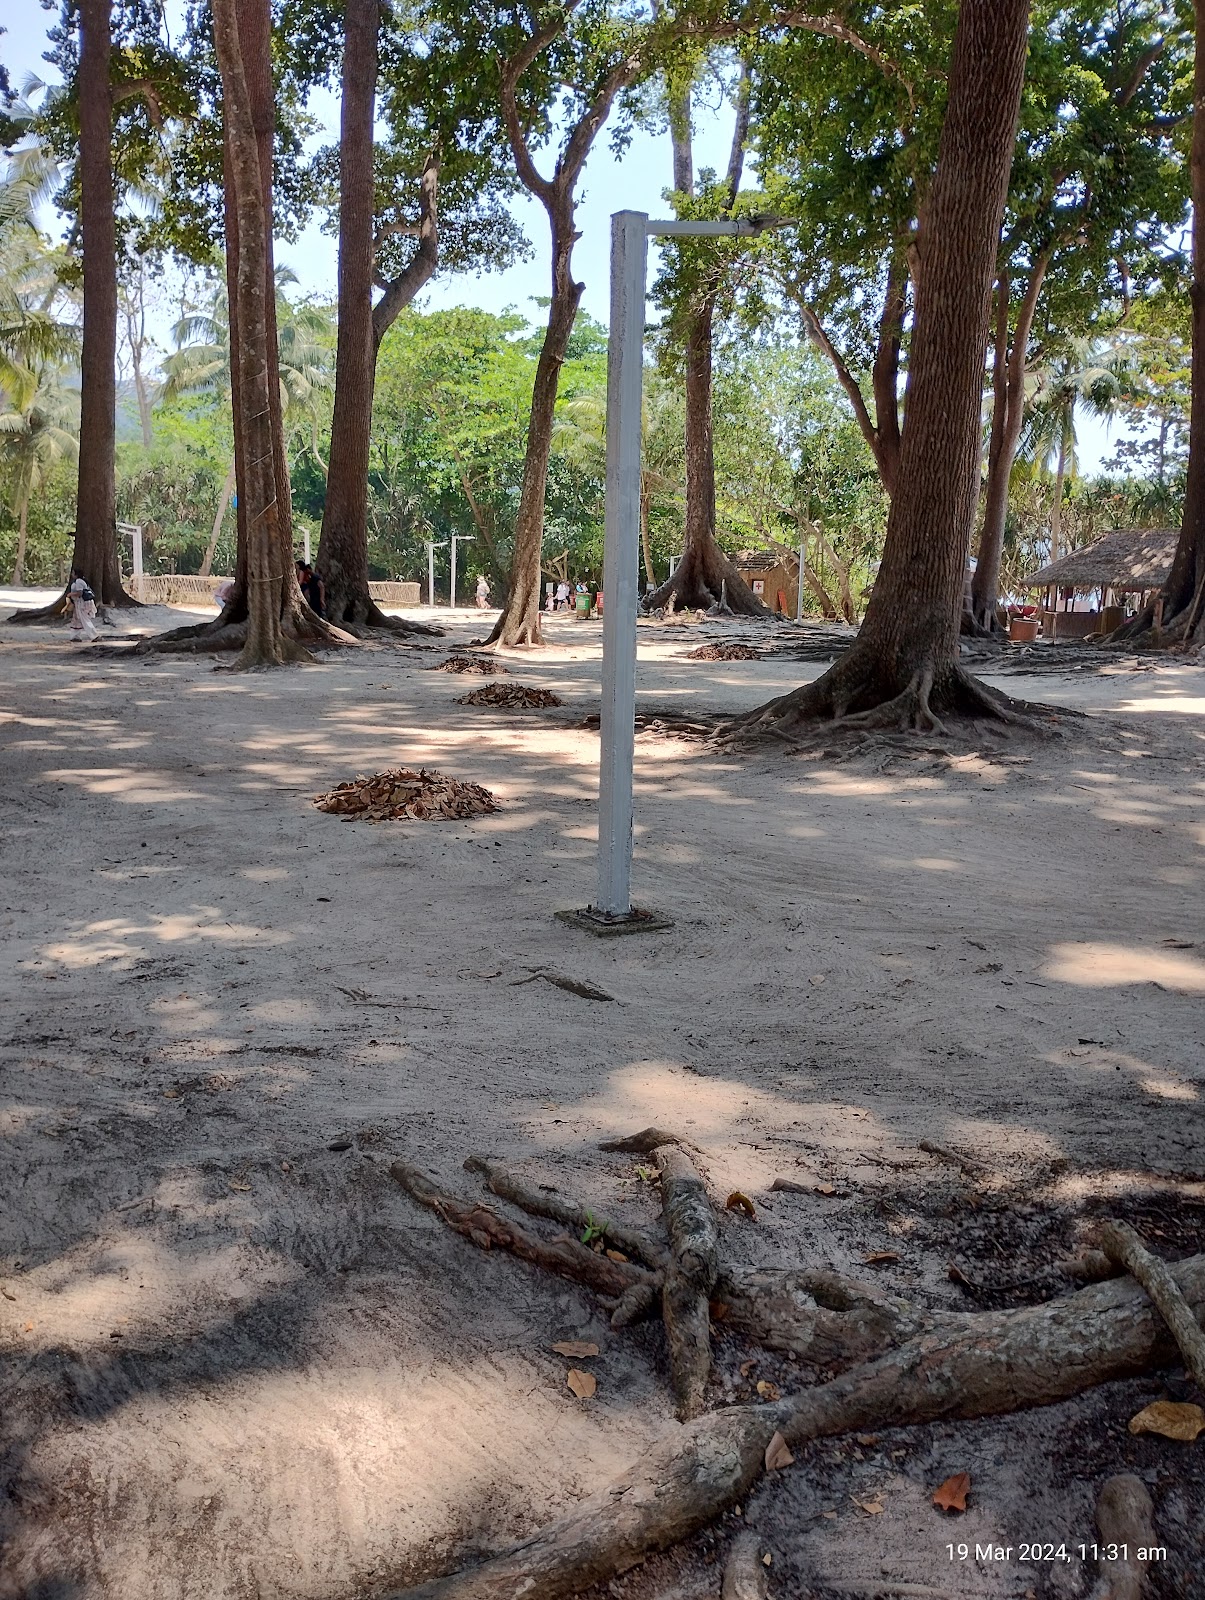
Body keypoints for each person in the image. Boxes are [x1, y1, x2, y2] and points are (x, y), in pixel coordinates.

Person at [66, 569, 97, 642]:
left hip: (81, 603)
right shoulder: (78, 581)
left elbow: (80, 593)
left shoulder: (79, 582)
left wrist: (71, 594)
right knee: (77, 619)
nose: (72, 574)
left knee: (84, 619)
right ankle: (75, 636)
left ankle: (94, 635)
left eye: (73, 573)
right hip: (77, 602)